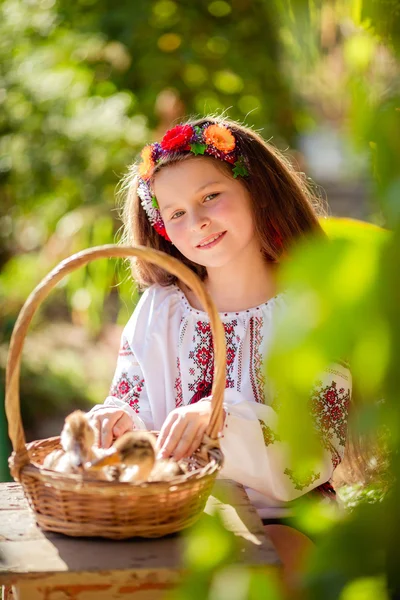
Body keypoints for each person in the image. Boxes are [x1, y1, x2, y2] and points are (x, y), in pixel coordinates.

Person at [87, 116, 351, 594]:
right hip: (180, 520)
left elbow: (317, 448)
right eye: (176, 213)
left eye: (211, 196)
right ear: (162, 229)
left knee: (262, 572)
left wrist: (221, 418)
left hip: (287, 519)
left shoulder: (312, 308)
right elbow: (136, 405)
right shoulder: (160, 311)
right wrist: (118, 421)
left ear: (258, 192)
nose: (198, 221)